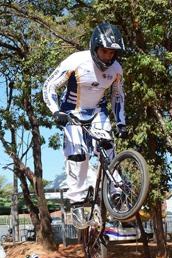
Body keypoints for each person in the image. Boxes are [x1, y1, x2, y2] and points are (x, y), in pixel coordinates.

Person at [43, 22, 127, 229]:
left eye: (112, 52)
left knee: (108, 146)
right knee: (79, 155)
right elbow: (49, 86)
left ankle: (116, 191)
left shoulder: (116, 69)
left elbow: (118, 95)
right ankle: (77, 202)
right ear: (94, 46)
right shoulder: (76, 61)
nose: (108, 56)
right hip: (72, 113)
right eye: (104, 51)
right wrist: (56, 112)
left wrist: (121, 122)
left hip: (98, 113)